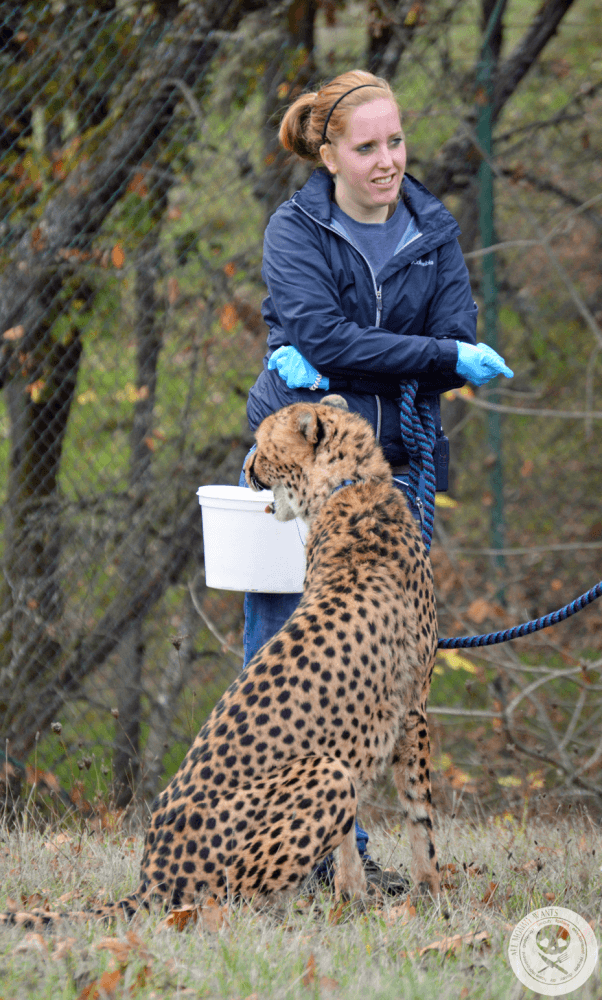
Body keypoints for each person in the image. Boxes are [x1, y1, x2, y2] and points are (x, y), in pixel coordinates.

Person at [238, 69, 513, 890]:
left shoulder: (434, 228)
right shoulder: (294, 231)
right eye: (368, 147)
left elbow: (447, 338)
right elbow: (328, 339)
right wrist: (431, 357)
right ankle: (272, 847)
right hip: (300, 472)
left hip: (397, 472)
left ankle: (341, 856)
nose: (389, 160)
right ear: (328, 155)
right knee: (286, 661)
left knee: (377, 676)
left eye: (396, 141)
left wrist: (428, 357)